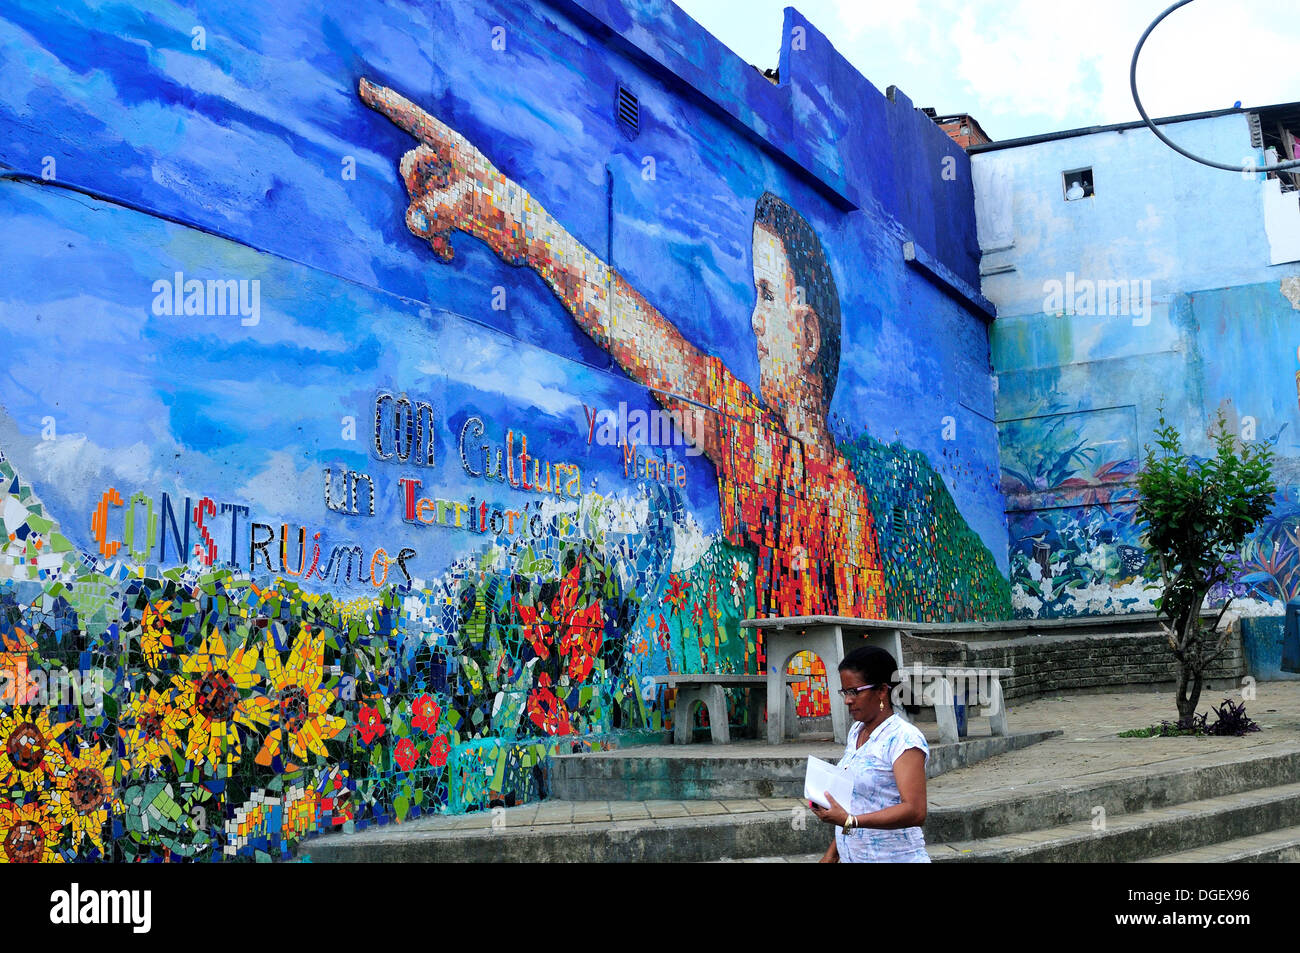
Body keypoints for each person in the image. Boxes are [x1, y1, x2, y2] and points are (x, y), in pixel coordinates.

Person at [359, 78, 888, 626]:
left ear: (805, 336)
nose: (754, 321)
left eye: (767, 295)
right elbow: (673, 366)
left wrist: (531, 233)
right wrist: (526, 228)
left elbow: (675, 370)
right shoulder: (781, 461)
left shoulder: (830, 494)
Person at [810, 645, 930, 863]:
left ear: (882, 691)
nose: (847, 700)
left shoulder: (904, 739)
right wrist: (831, 855)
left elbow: (915, 811)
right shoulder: (856, 732)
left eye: (854, 691)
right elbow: (859, 804)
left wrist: (851, 821)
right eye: (845, 692)